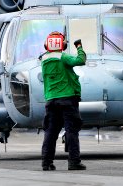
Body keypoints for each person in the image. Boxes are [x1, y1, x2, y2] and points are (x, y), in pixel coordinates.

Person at [40, 31, 87, 171]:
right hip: (67, 99)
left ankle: (46, 163)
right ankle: (74, 162)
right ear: (63, 44)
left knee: (51, 132)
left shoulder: (44, 59)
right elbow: (81, 60)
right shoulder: (63, 57)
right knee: (71, 131)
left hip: (51, 100)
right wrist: (79, 47)